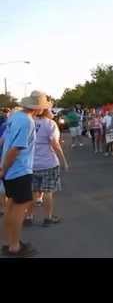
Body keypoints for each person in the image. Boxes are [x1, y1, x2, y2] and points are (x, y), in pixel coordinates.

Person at [1, 91, 51, 257]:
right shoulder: (28, 122)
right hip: (19, 169)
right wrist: (4, 169)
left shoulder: (14, 116)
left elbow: (4, 140)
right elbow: (16, 149)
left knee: (10, 206)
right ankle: (15, 246)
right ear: (38, 108)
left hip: (10, 170)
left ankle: (9, 242)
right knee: (19, 209)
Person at [24, 108, 69, 227]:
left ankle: (29, 217)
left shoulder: (30, 122)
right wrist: (63, 160)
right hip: (48, 163)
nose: (52, 113)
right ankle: (48, 217)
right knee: (48, 191)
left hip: (32, 163)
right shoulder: (50, 124)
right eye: (50, 111)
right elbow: (55, 143)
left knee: (33, 192)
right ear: (45, 111)